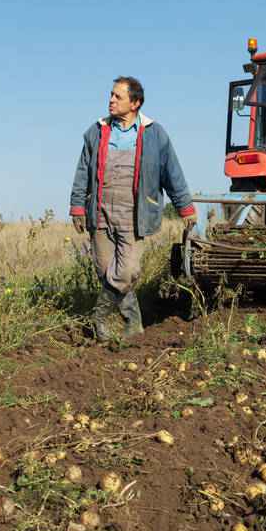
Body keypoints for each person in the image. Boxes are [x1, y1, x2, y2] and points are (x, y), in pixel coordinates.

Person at [70, 76, 197, 342]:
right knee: (105, 270)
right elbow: (83, 171)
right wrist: (77, 206)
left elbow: (171, 172)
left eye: (118, 97)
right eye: (111, 95)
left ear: (135, 103)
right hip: (100, 210)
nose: (111, 100)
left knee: (125, 271)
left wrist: (185, 207)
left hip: (134, 214)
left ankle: (99, 317)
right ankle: (134, 324)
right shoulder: (96, 131)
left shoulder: (155, 134)